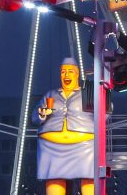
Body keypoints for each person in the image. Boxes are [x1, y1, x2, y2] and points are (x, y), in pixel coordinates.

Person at [35, 57, 94, 195]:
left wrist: (100, 97)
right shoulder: (51, 95)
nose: (66, 75)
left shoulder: (88, 92)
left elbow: (105, 114)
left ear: (77, 73)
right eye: (63, 72)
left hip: (84, 146)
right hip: (51, 147)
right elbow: (34, 116)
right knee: (54, 180)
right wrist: (42, 114)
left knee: (90, 179)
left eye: (70, 72)